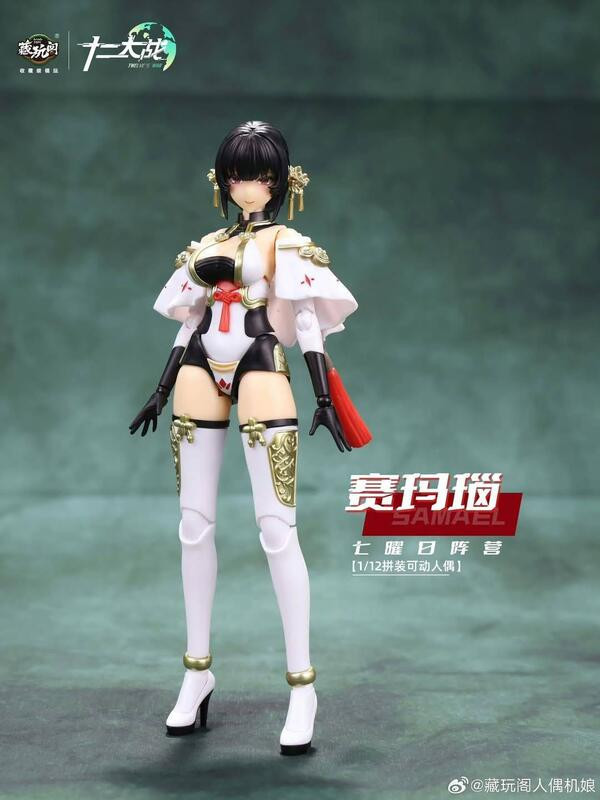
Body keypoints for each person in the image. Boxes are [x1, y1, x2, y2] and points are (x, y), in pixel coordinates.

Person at [129, 120, 370, 755]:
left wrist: (323, 397)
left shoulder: (287, 244)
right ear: (222, 180)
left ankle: (302, 686)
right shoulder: (207, 244)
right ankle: (196, 673)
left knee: (276, 527)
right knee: (192, 525)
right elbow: (188, 322)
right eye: (238, 175)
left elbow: (308, 322)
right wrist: (159, 389)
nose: (248, 187)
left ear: (282, 181)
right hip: (197, 367)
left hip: (261, 360)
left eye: (261, 176)